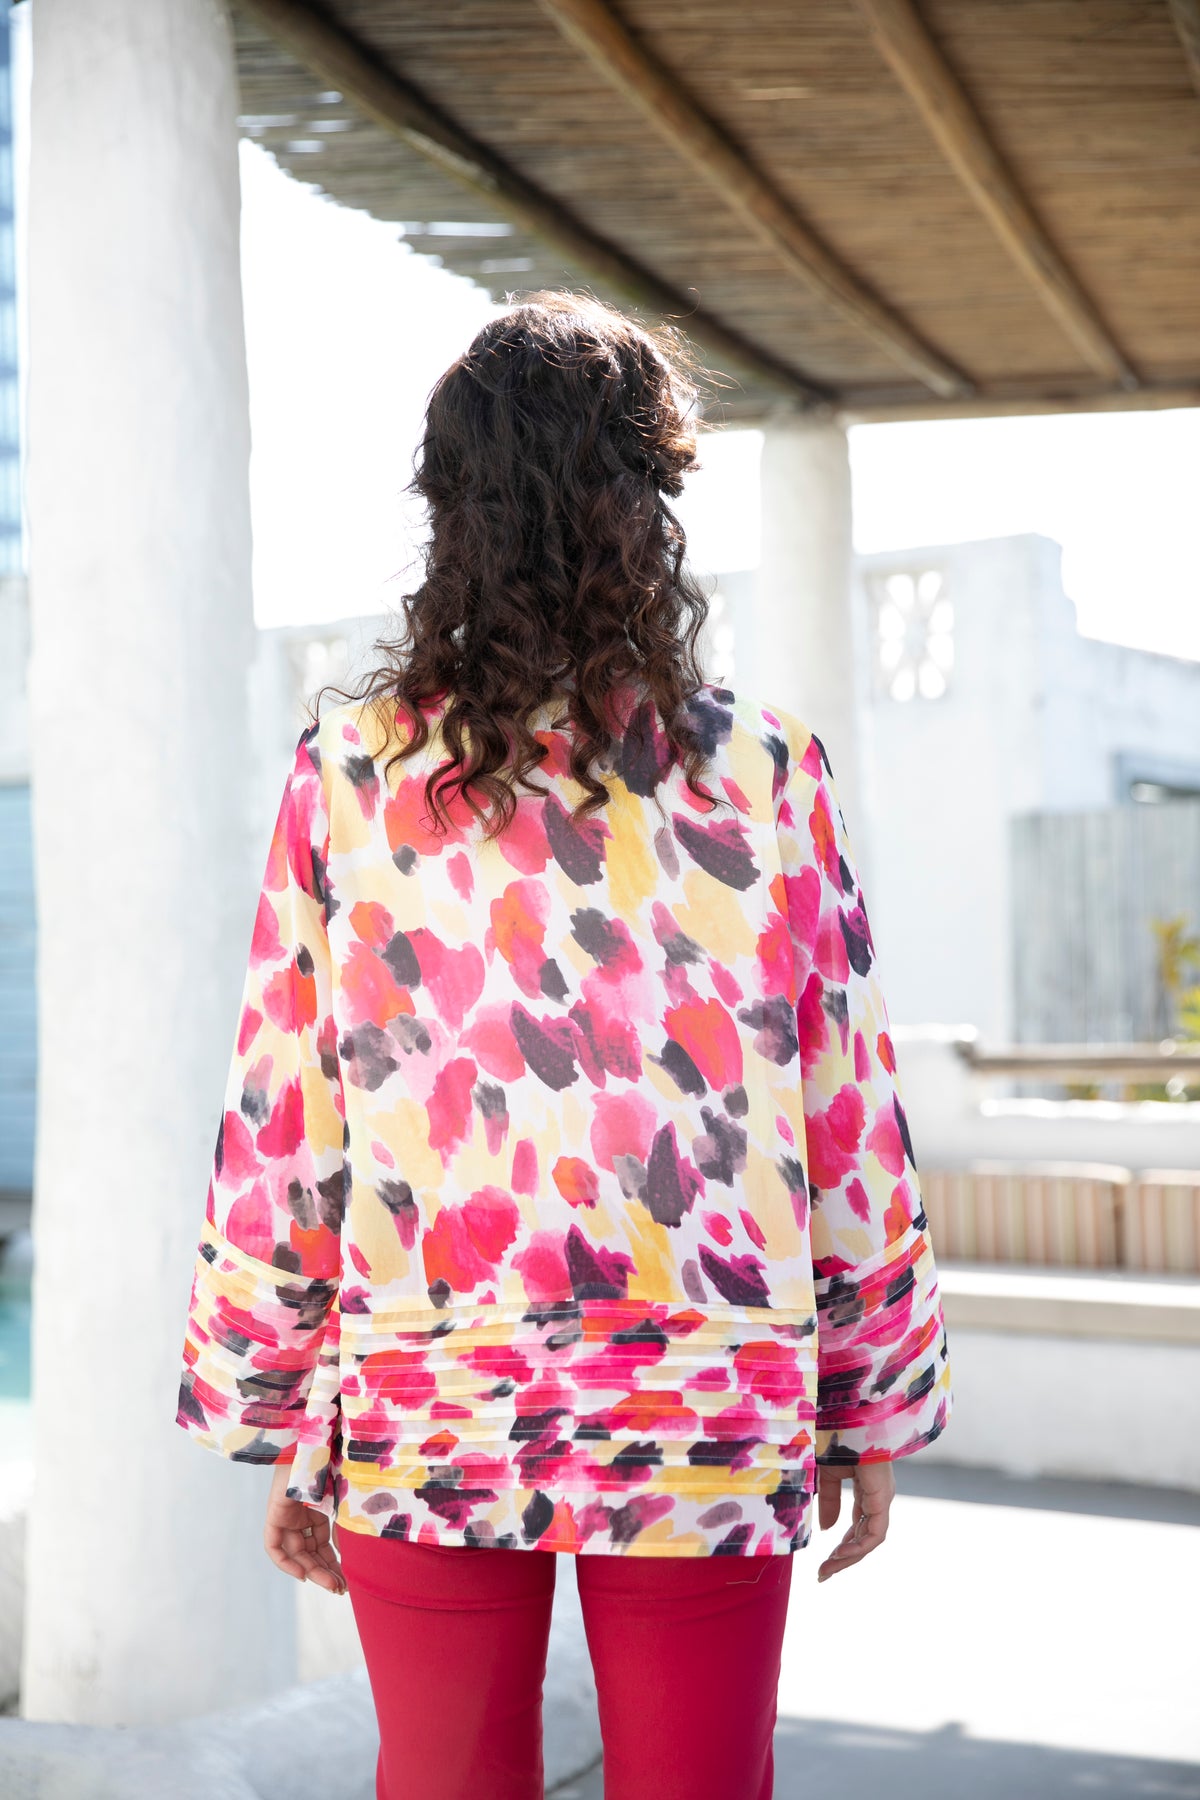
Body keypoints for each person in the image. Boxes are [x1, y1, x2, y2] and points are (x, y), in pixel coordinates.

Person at [176, 290, 953, 1800]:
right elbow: (844, 1113)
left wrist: (285, 1406)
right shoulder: (763, 775)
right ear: (649, 505)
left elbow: (290, 1119)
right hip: (707, 1391)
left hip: (428, 1392)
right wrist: (871, 1400)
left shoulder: (351, 779)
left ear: (449, 511)